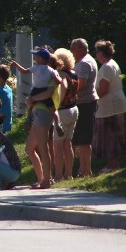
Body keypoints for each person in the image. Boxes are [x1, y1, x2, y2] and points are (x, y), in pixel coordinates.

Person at [92, 40, 126, 172]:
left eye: (97, 52)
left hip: (110, 106)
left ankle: (113, 165)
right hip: (114, 104)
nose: (96, 55)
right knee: (113, 134)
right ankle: (112, 163)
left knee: (110, 135)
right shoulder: (112, 64)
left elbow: (103, 89)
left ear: (101, 53)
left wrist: (93, 99)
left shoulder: (107, 67)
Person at [10, 48, 64, 137]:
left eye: (36, 57)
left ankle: (29, 119)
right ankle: (58, 124)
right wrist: (55, 78)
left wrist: (16, 64)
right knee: (53, 110)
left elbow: (24, 71)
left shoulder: (35, 68)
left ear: (41, 59)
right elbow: (59, 80)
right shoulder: (51, 70)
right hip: (45, 91)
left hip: (35, 90)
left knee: (30, 104)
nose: (34, 58)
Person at [70, 38, 98, 177]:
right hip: (89, 103)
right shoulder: (90, 60)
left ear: (81, 48)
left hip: (84, 104)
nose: (72, 52)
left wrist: (69, 92)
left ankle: (85, 170)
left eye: (73, 49)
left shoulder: (83, 63)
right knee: (84, 139)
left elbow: (81, 84)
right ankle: (84, 168)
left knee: (83, 139)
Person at [51, 48, 79, 180]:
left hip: (63, 111)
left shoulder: (61, 74)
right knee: (68, 143)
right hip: (74, 109)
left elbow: (64, 86)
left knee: (58, 145)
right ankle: (68, 174)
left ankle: (58, 175)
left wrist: (57, 104)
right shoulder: (73, 73)